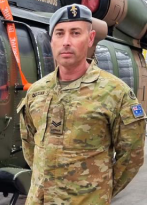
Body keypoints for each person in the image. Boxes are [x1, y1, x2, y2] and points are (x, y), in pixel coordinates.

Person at [17, 4, 146, 205]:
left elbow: (131, 158)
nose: (66, 42)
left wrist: (98, 190)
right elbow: (29, 145)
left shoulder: (116, 93)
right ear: (52, 40)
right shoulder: (37, 91)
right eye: (59, 33)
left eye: (75, 33)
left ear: (91, 38)